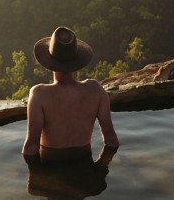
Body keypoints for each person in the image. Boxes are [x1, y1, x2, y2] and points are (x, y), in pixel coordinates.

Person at [21, 26, 119, 159]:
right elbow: (111, 140)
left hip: (51, 169)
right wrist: (102, 170)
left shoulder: (39, 94)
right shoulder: (96, 90)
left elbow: (31, 147)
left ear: (49, 60)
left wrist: (38, 178)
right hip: (86, 168)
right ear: (77, 59)